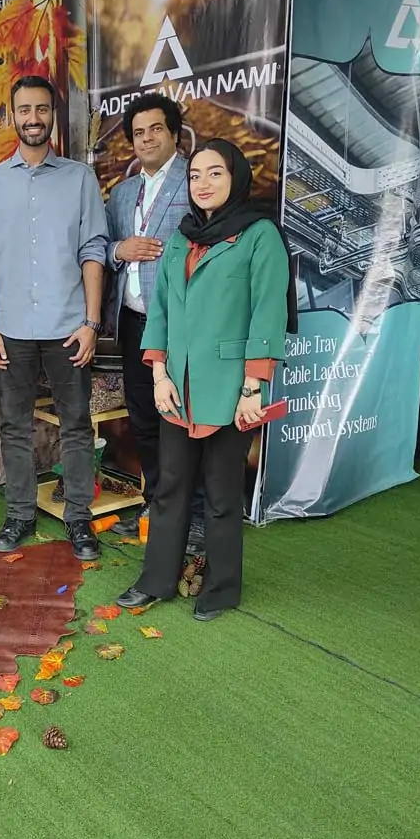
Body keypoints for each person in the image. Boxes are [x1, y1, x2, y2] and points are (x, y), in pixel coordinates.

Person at [115, 138, 294, 619]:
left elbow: (268, 314)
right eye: (195, 175)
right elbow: (161, 310)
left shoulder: (259, 235)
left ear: (235, 177)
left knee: (221, 494)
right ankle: (156, 580)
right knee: (170, 486)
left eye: (215, 173)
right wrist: (159, 374)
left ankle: (221, 588)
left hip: (232, 390)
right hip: (178, 386)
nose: (203, 183)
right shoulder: (182, 236)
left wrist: (253, 388)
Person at [0, 74, 108, 561]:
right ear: (12, 116)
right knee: (15, 426)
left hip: (69, 326)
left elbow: (94, 250)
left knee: (76, 425)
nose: (33, 118)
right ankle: (20, 514)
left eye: (42, 109)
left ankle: (79, 518)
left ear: (53, 116)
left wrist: (91, 322)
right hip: (8, 328)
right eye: (25, 109)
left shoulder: (80, 179)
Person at [105, 94, 205, 546]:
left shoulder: (195, 181)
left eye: (155, 129)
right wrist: (118, 250)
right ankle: (155, 506)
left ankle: (194, 516)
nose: (146, 139)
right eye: (138, 133)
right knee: (144, 419)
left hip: (182, 325)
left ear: (175, 134)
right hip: (133, 323)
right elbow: (102, 246)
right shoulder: (123, 193)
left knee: (184, 420)